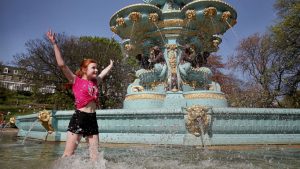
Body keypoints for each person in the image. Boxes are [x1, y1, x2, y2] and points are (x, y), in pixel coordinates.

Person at [46, 29, 113, 161]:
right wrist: (54, 44)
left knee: (95, 157)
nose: (96, 70)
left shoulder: (95, 82)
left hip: (92, 119)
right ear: (84, 69)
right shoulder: (76, 80)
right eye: (93, 67)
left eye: (96, 68)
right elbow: (62, 65)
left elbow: (103, 73)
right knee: (68, 155)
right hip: (79, 118)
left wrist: (110, 65)